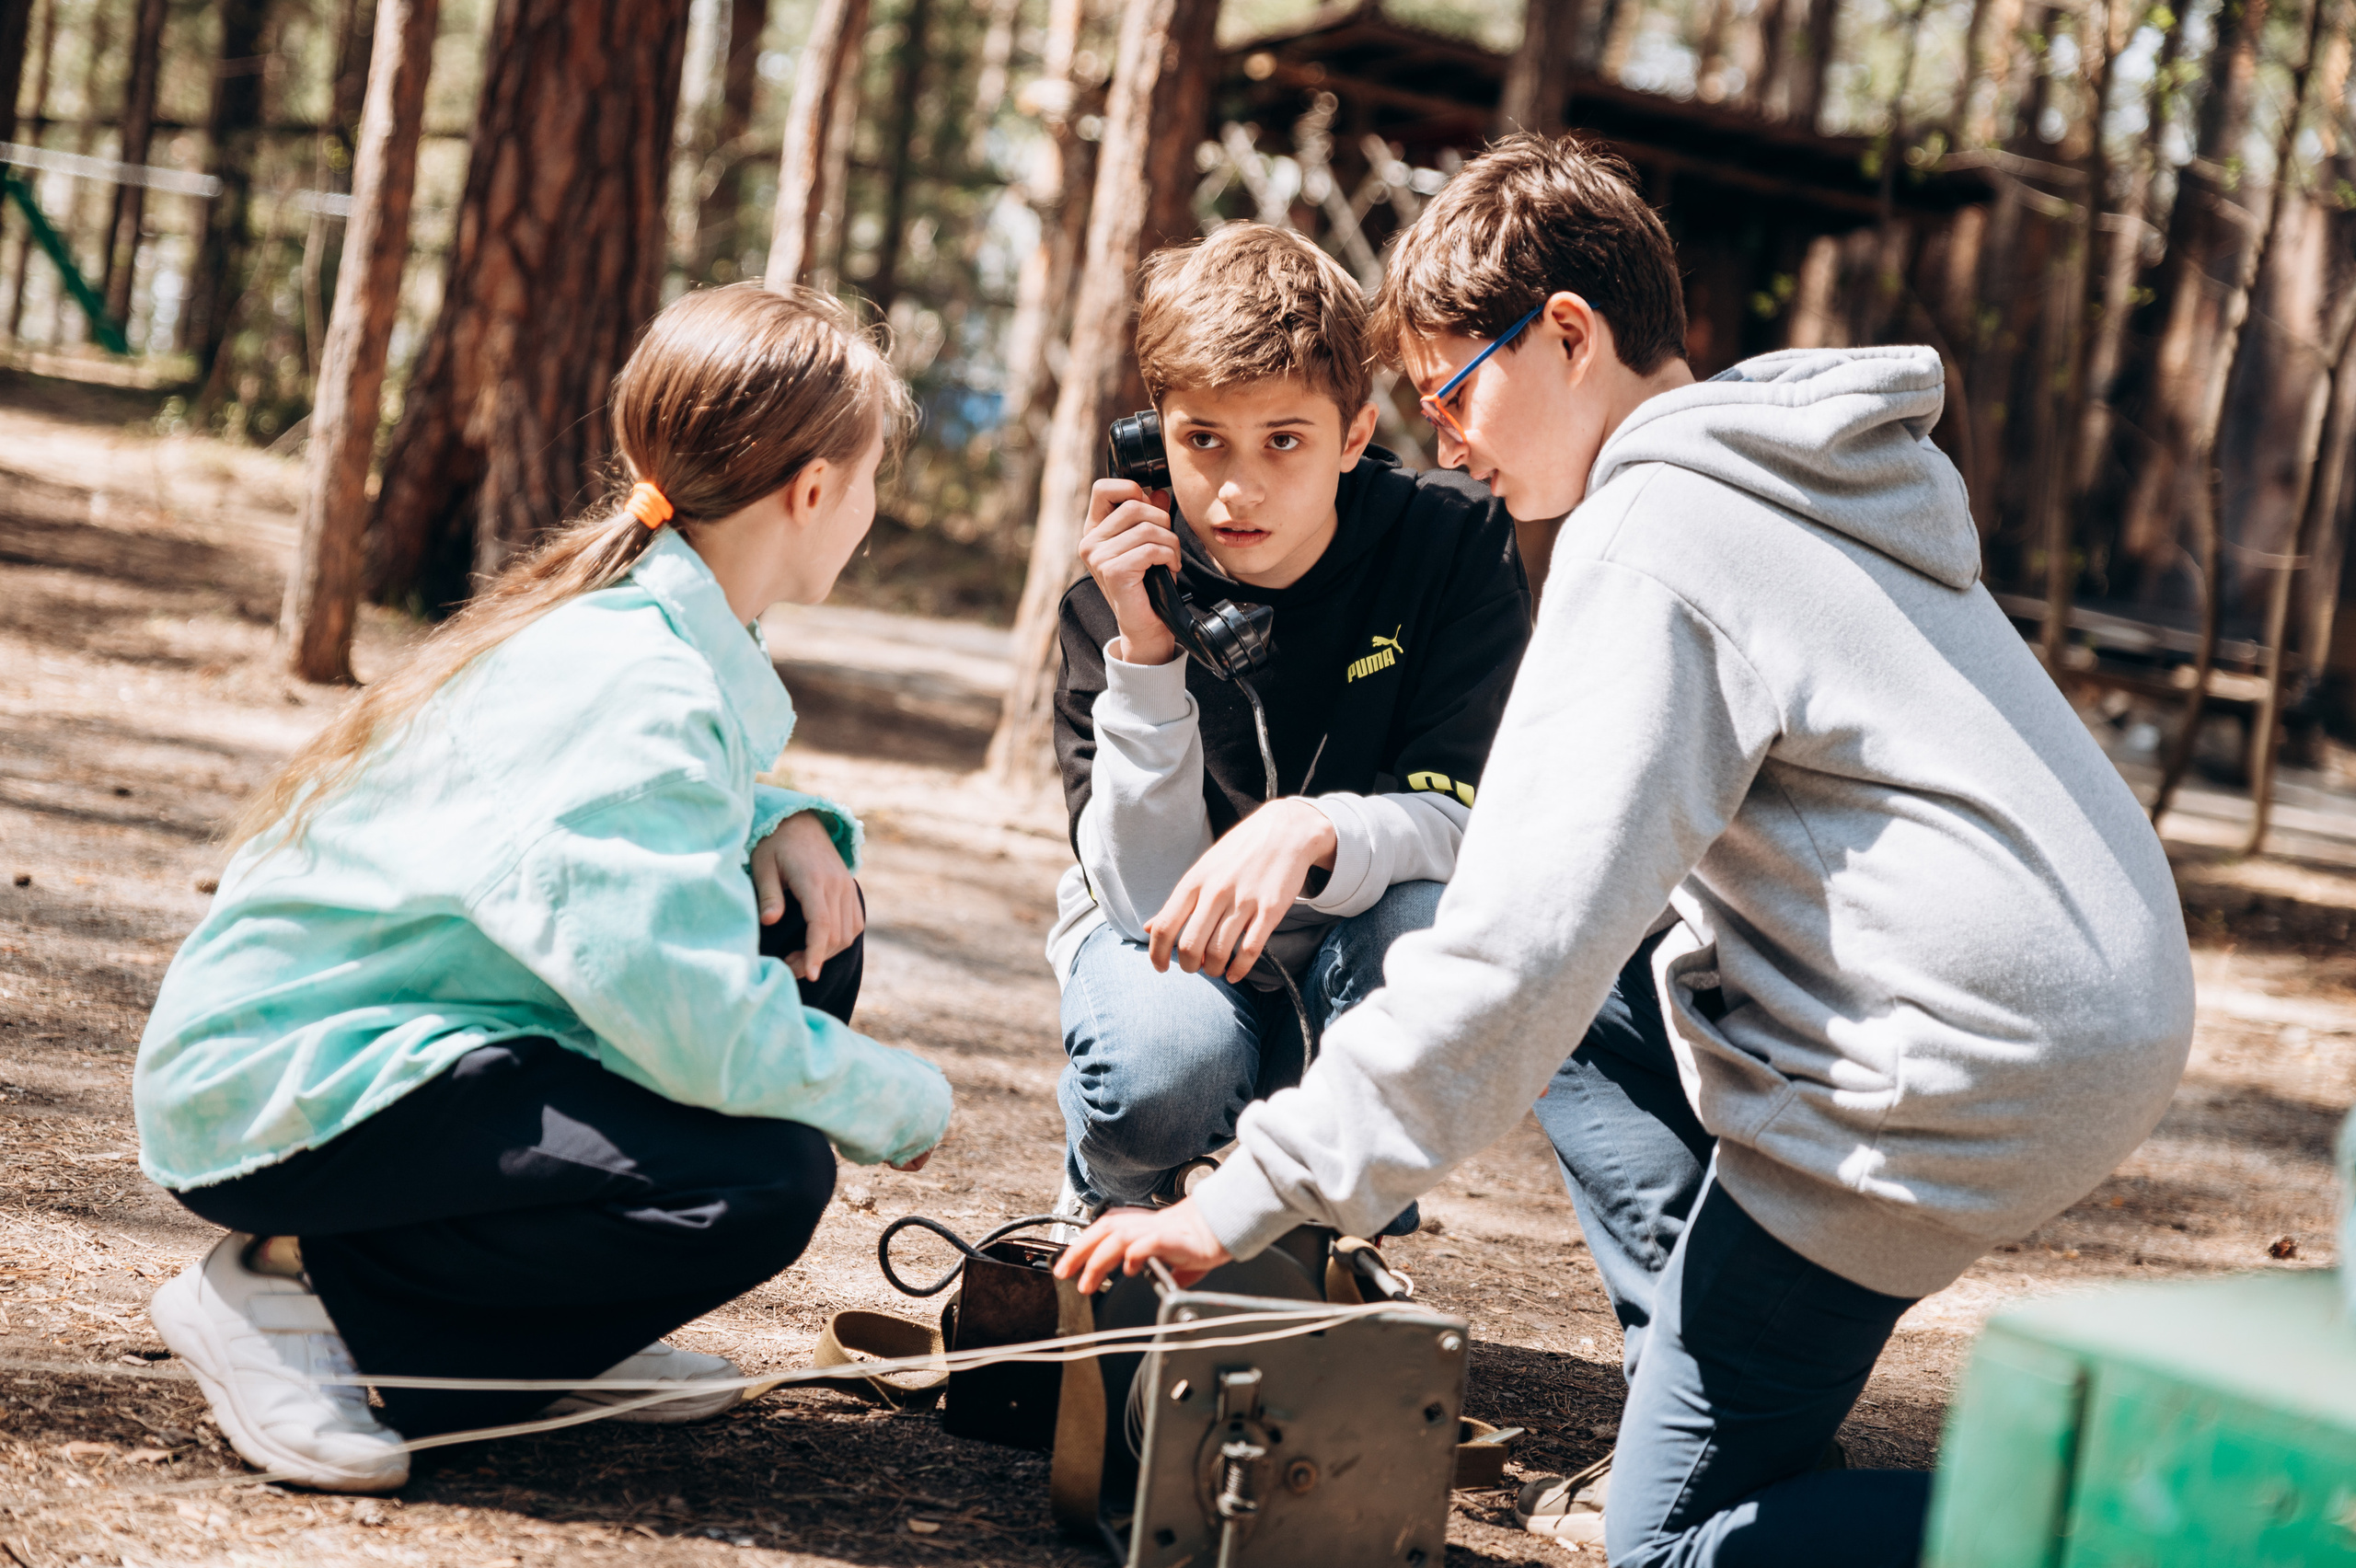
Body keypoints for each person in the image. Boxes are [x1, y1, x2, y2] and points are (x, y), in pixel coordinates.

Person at [1057, 135, 2195, 1568]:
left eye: (1455, 392)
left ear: (1571, 336)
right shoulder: (1784, 474)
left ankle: (2176, 1534)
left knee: (1672, 1547)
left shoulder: (1649, 537)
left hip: (1946, 1064)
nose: (1451, 442)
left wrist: (1241, 1197)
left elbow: (1520, 939)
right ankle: (1719, 1396)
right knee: (1617, 1015)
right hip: (2095, 1004)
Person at [134, 284, 953, 1494]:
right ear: (815, 492)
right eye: (873, 478)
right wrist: (905, 1099)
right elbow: (693, 1017)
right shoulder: (642, 686)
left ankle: (522, 1352)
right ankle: (292, 1294)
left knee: (810, 938)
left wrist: (781, 821)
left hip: (412, 1047)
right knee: (761, 1181)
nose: (873, 513)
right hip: (286, 1087)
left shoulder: (651, 624)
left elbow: (609, 849)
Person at [1047, 223, 1530, 1233]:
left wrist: (1316, 829)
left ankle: (1312, 1234)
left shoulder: (1452, 546)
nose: (1236, 489)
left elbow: (1469, 825)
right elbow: (1140, 908)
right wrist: (1146, 654)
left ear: (1354, 435)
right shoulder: (1113, 591)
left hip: (1364, 931)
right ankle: (1114, 1190)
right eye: (1201, 440)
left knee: (1424, 932)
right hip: (1177, 948)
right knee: (1162, 1081)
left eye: (1285, 440)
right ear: (1152, 437)